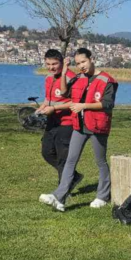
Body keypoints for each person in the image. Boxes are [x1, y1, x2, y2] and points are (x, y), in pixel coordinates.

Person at [39, 48, 118, 211]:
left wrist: (83, 106)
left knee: (100, 161)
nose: (81, 66)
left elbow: (107, 104)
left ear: (92, 59)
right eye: (78, 63)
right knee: (70, 160)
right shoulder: (78, 78)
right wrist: (64, 72)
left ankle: (103, 196)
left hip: (97, 126)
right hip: (79, 126)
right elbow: (64, 92)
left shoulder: (107, 80)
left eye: (83, 62)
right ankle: (59, 197)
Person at [35, 49, 82, 190]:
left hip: (67, 123)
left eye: (54, 64)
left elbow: (75, 102)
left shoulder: (71, 78)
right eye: (48, 64)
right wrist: (40, 109)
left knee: (63, 158)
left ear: (62, 62)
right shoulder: (48, 78)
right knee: (47, 153)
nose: (51, 67)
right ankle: (73, 176)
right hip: (51, 121)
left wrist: (54, 108)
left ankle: (62, 190)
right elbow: (48, 99)